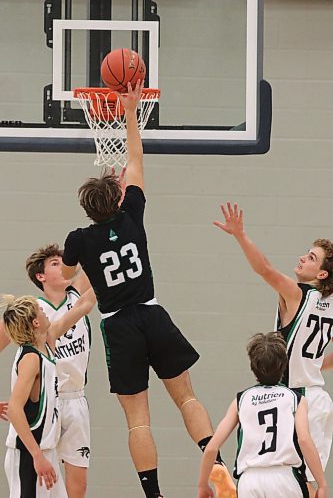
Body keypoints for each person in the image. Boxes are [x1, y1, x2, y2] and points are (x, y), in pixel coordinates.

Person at [61, 80, 236, 498]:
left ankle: (153, 494)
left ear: (87, 208)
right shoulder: (132, 215)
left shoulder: (78, 239)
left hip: (119, 326)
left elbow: (67, 276)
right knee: (187, 398)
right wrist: (129, 110)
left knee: (138, 419)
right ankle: (218, 465)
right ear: (118, 198)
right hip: (153, 314)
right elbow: (135, 158)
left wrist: (89, 266)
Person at [214, 201, 333, 497]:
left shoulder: (297, 294)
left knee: (292, 480)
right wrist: (317, 365)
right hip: (315, 397)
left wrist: (240, 236)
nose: (302, 258)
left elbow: (264, 268)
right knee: (298, 482)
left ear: (321, 275)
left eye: (311, 258)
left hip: (294, 398)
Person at [198, 332, 328, 498]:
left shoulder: (241, 400)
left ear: (253, 367)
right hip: (285, 477)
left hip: (249, 480)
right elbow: (304, 440)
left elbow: (212, 448)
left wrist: (202, 484)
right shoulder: (296, 399)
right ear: (284, 365)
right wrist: (322, 484)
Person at [1, 289, 95, 498]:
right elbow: (15, 408)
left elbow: (82, 306)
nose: (45, 312)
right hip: (28, 454)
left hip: (45, 452)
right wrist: (36, 456)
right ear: (35, 322)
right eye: (40, 311)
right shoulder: (30, 359)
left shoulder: (47, 344)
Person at [25, 244, 92, 498]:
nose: (63, 266)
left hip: (76, 398)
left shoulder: (77, 296)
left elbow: (97, 255)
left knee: (79, 485)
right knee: (45, 483)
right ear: (40, 276)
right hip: (47, 401)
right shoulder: (31, 309)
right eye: (55, 263)